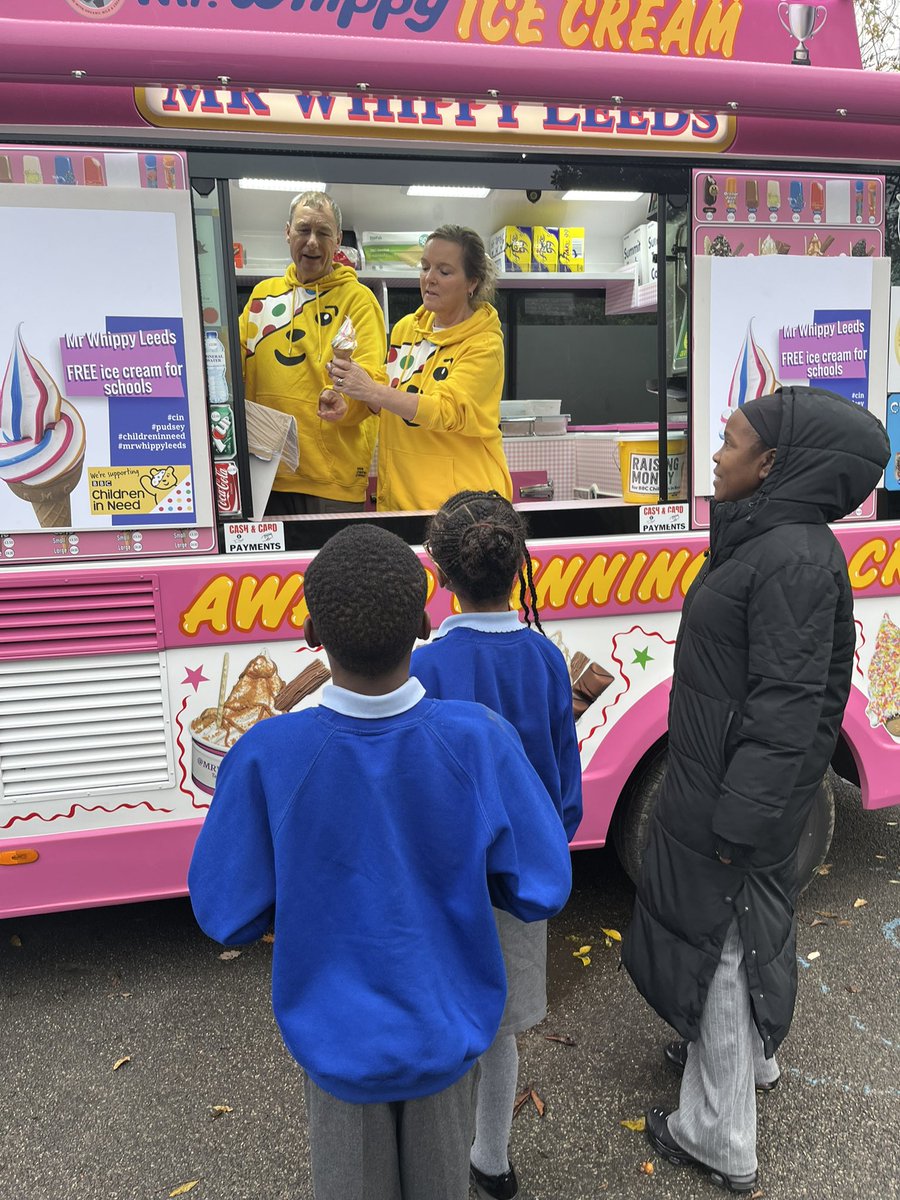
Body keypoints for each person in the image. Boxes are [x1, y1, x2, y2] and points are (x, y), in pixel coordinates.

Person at [188, 523, 572, 1200]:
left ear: (312, 634)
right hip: (446, 1033)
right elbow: (541, 884)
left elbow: (226, 912)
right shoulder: (481, 740)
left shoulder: (267, 755)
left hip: (335, 1046)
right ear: (425, 624)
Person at [622, 386, 889, 1194]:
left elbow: (791, 704)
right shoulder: (767, 541)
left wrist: (746, 814)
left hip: (735, 794)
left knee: (726, 944)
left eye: (730, 440)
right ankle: (750, 1061)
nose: (716, 453)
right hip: (724, 780)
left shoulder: (792, 559)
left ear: (771, 464)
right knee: (738, 929)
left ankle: (719, 1135)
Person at [411, 490, 582, 1200]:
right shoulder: (545, 658)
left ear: (439, 573)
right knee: (503, 1026)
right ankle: (492, 1158)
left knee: (447, 1019)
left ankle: (440, 1162)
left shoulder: (424, 667)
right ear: (517, 566)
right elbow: (564, 789)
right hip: (518, 882)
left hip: (443, 886)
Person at [320, 225, 512, 511]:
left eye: (444, 272)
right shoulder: (405, 329)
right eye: (425, 267)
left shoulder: (485, 345)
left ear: (472, 282)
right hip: (402, 502)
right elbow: (386, 399)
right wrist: (349, 404)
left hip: (463, 509)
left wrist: (372, 390)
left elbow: (446, 411)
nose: (429, 279)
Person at [239, 190, 385, 514]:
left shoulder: (358, 301)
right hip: (264, 475)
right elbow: (232, 366)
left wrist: (345, 403)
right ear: (287, 231)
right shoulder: (263, 296)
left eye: (323, 232)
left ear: (337, 240)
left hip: (332, 482)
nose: (312, 243)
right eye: (304, 230)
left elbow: (373, 381)